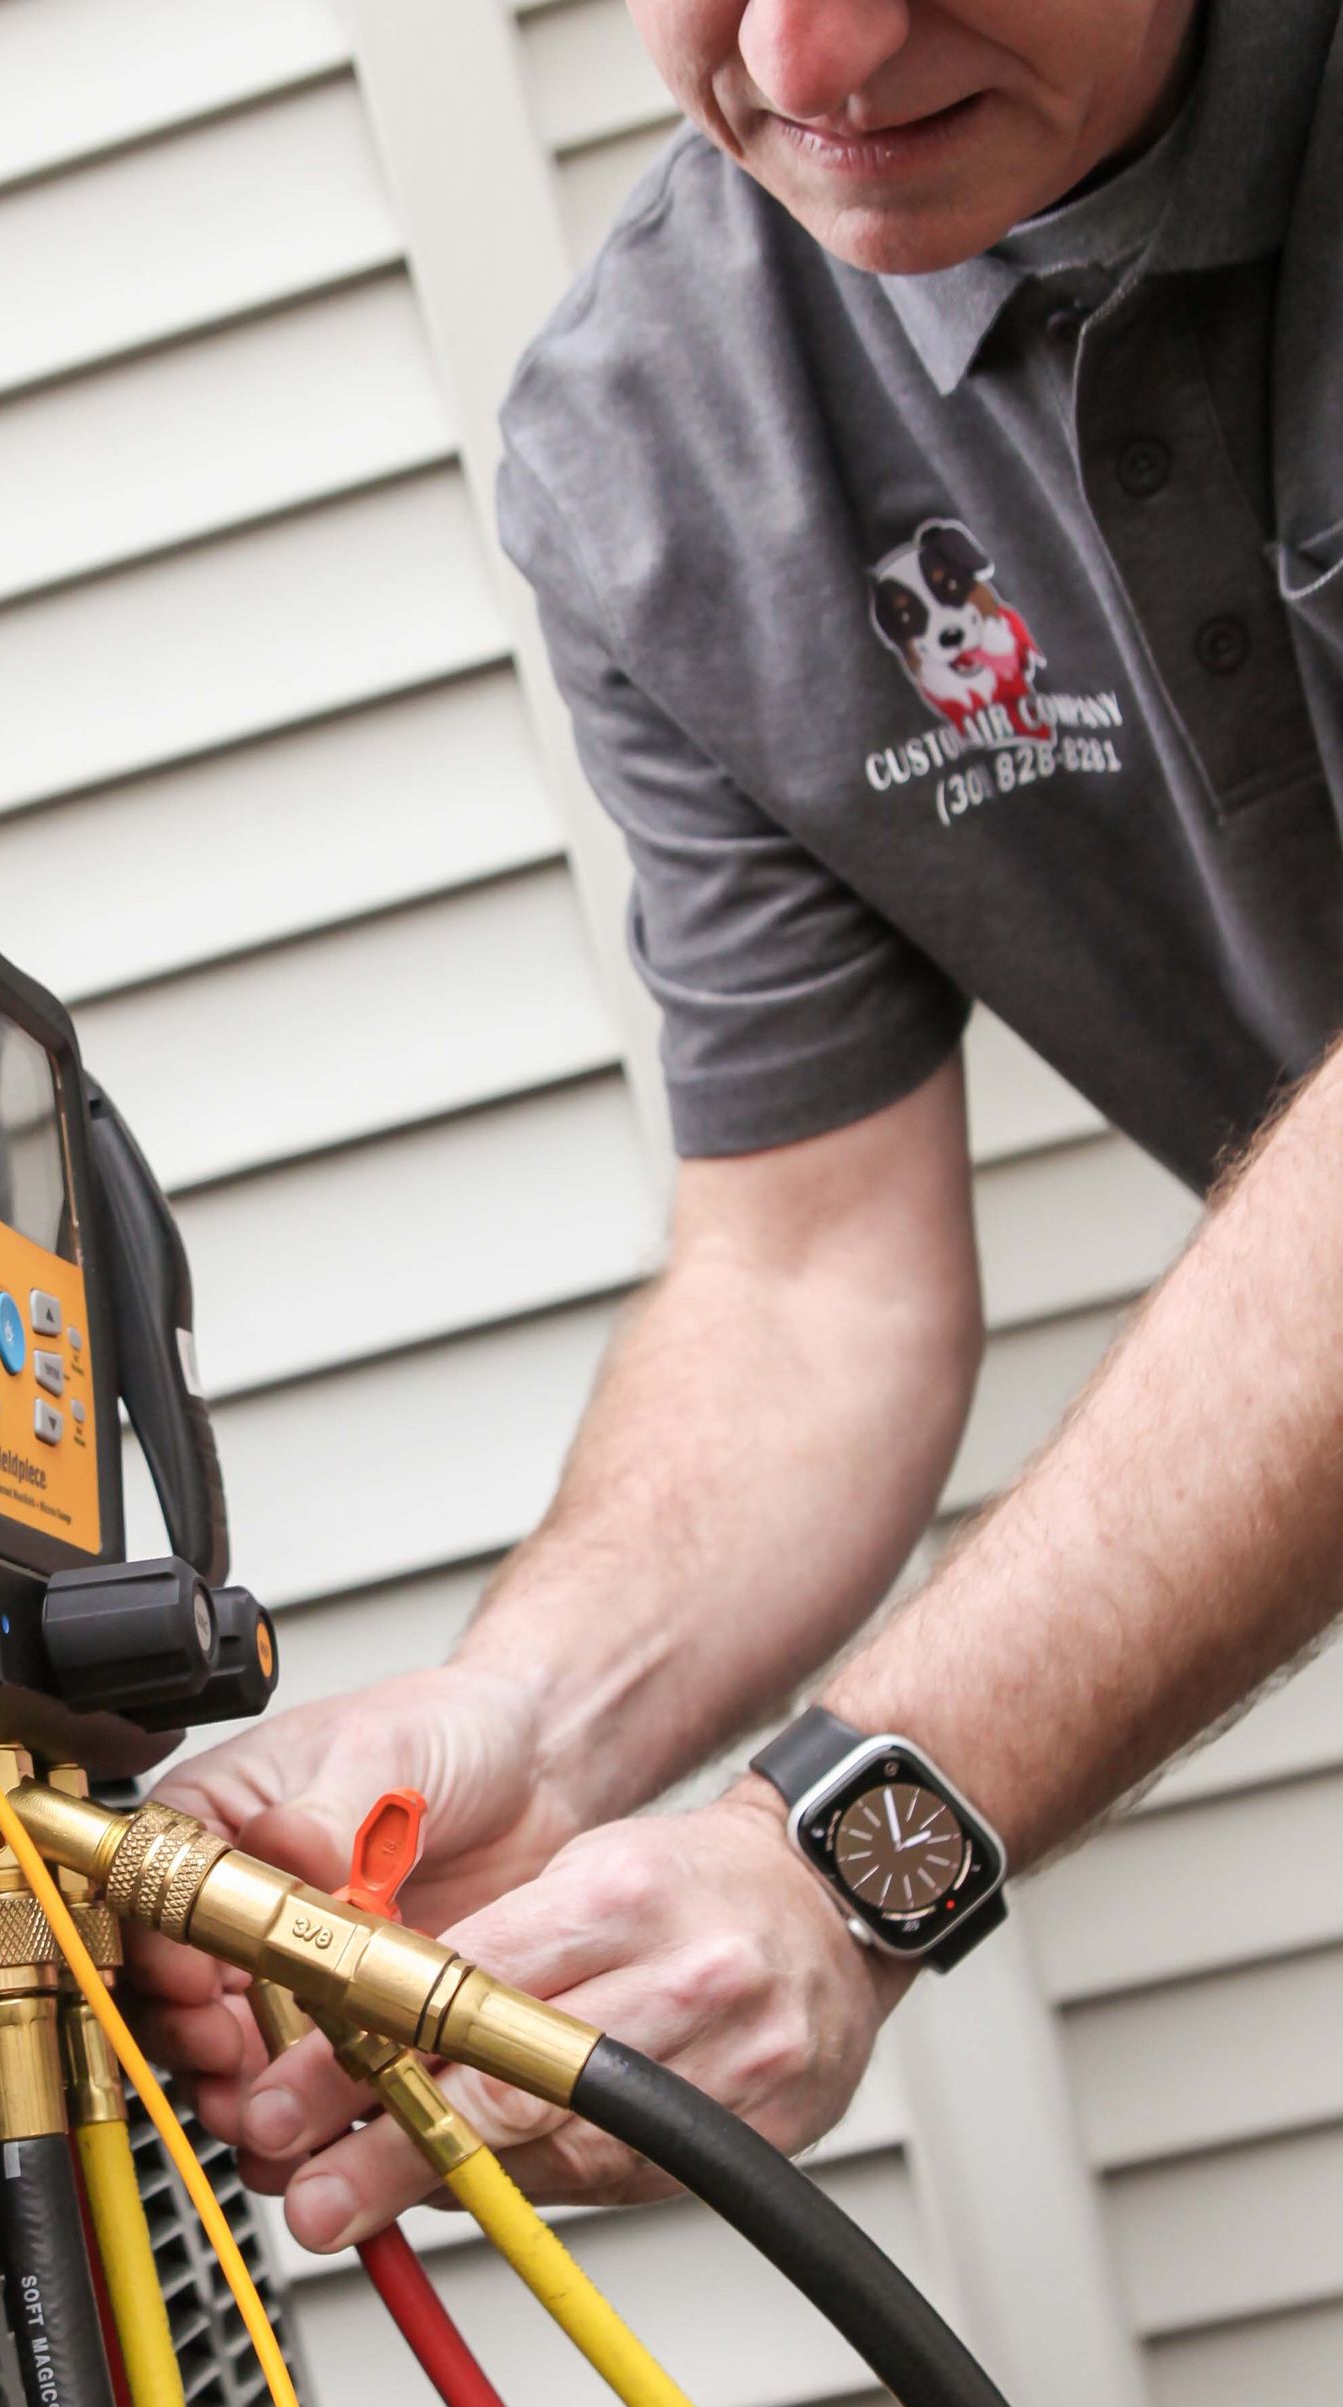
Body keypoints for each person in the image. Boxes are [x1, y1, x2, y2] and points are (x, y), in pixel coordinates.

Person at [126, 0, 1343, 2255]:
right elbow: (812, 1282)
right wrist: (528, 1717)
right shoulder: (666, 439)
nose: (812, 50)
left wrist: (847, 1851)